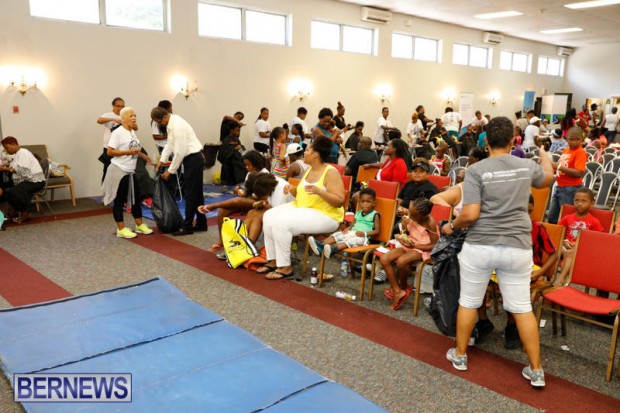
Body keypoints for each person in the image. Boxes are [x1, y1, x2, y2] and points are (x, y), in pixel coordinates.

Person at [442, 116, 554, 388]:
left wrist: (451, 226)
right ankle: (536, 370)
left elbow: (470, 214)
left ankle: (460, 355)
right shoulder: (526, 166)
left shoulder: (476, 170)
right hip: (516, 246)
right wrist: (544, 155)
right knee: (522, 307)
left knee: (469, 301)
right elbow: (549, 178)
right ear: (513, 140)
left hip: (480, 245)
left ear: (486, 141)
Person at [259, 137, 345, 280]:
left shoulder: (331, 172)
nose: (304, 152)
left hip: (327, 215)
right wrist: (292, 189)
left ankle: (285, 266)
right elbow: (302, 193)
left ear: (315, 155)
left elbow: (339, 201)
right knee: (268, 216)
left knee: (281, 222)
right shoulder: (309, 169)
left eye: (308, 150)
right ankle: (273, 260)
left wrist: (320, 192)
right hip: (305, 209)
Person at [151, 106, 206, 236]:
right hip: (191, 159)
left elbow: (180, 152)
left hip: (193, 158)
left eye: (159, 121)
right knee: (197, 194)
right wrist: (161, 160)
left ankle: (187, 226)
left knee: (190, 194)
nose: (159, 124)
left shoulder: (177, 125)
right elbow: (170, 144)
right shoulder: (172, 123)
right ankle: (202, 223)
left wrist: (170, 171)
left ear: (165, 117)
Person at [198, 151, 268, 251]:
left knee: (238, 200)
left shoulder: (265, 174)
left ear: (255, 163)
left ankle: (213, 206)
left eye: (248, 165)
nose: (247, 167)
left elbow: (263, 196)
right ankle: (221, 242)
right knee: (223, 211)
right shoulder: (249, 174)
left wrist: (246, 194)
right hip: (249, 201)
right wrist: (240, 191)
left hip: (261, 204)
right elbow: (248, 189)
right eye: (245, 165)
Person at [101, 107, 153, 239]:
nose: (134, 118)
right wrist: (127, 152)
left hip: (130, 171)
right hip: (119, 170)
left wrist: (145, 157)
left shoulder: (132, 132)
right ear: (123, 118)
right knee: (119, 200)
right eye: (131, 116)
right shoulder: (118, 133)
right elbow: (110, 151)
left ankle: (139, 225)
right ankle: (121, 229)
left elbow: (135, 149)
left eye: (135, 115)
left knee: (136, 198)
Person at [381, 198, 438, 310]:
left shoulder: (429, 223)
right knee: (384, 259)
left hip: (422, 248)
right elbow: (407, 232)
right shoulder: (412, 213)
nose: (410, 215)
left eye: (413, 215)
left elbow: (435, 245)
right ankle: (398, 291)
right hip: (410, 243)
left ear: (422, 216)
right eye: (410, 212)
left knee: (401, 262)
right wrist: (403, 227)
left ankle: (403, 286)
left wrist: (416, 246)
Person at [307, 187, 380, 258]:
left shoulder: (374, 215)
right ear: (359, 202)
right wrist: (348, 228)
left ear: (373, 203)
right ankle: (321, 244)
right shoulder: (358, 213)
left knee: (350, 241)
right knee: (338, 234)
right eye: (363, 201)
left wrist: (364, 233)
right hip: (353, 233)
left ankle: (334, 248)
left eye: (368, 202)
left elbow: (377, 231)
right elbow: (352, 225)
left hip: (363, 237)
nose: (365, 204)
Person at [555, 188, 604, 286]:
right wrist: (564, 241)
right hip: (565, 246)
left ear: (592, 203)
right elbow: (558, 232)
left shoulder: (594, 221)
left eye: (584, 201)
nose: (579, 204)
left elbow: (599, 240)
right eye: (577, 200)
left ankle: (560, 279)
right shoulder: (567, 218)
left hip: (582, 250)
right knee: (552, 249)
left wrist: (578, 244)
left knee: (570, 253)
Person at [0, 137, 45, 224]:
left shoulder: (23, 153)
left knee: (10, 192)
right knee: (4, 190)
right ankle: (18, 210)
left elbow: (24, 171)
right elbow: (17, 167)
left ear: (13, 144)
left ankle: (25, 212)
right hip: (27, 180)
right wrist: (7, 166)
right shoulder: (18, 154)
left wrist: (6, 169)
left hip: (35, 182)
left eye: (7, 147)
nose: (7, 150)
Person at [547, 127, 588, 224]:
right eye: (571, 139)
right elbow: (563, 169)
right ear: (566, 138)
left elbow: (579, 173)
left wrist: (558, 166)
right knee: (552, 218)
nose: (574, 142)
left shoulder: (580, 152)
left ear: (581, 140)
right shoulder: (566, 150)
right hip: (560, 186)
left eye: (577, 139)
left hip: (571, 188)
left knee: (565, 219)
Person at [97, 97, 124, 182]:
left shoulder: (125, 116)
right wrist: (114, 119)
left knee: (119, 171)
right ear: (113, 106)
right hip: (108, 147)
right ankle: (105, 189)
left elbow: (135, 127)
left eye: (122, 106)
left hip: (121, 148)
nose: (120, 108)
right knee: (107, 169)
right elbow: (99, 120)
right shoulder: (108, 115)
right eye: (118, 106)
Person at [218, 124, 246, 188]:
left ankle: (241, 182)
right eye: (237, 130)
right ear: (231, 131)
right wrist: (234, 149)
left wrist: (241, 148)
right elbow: (223, 154)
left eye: (239, 131)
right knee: (236, 163)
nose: (238, 132)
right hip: (229, 160)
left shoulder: (237, 140)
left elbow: (241, 149)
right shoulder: (226, 140)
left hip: (237, 158)